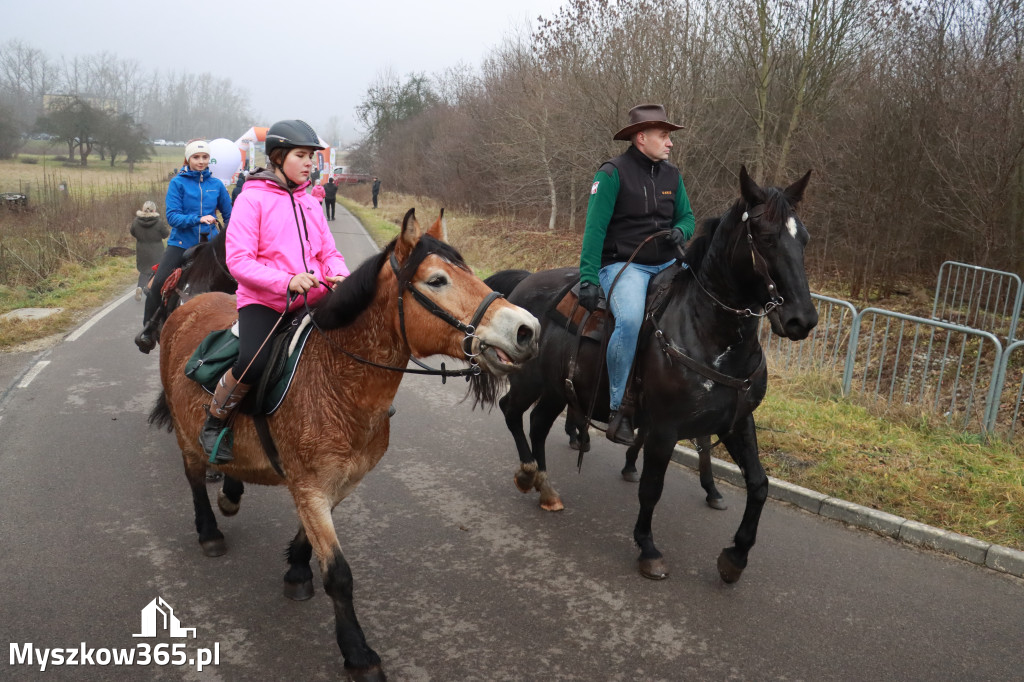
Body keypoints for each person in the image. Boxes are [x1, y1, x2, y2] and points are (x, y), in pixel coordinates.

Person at [201, 119, 350, 463]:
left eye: (312, 156)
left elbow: (329, 253)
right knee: (255, 362)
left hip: (315, 299)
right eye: (302, 155)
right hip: (265, 303)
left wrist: (340, 276)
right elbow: (238, 261)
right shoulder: (251, 200)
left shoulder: (311, 201)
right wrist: (287, 281)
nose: (311, 162)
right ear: (279, 157)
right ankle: (215, 420)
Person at [578, 104, 695, 445]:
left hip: (668, 263)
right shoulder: (611, 173)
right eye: (664, 136)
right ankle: (619, 410)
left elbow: (687, 217)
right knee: (629, 320)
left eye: (670, 137)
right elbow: (594, 230)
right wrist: (588, 277)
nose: (670, 143)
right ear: (642, 138)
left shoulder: (673, 176)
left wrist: (681, 232)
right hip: (625, 266)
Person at [134, 139, 232, 353]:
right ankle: (148, 331)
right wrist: (199, 219)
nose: (201, 161)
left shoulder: (216, 186)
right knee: (158, 284)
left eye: (205, 157)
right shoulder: (177, 183)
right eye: (196, 157)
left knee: (239, 278)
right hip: (181, 243)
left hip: (211, 245)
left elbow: (230, 215)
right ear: (188, 159)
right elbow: (172, 217)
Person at [129, 200, 169, 301]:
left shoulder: (136, 221)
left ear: (143, 209)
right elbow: (165, 234)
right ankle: (152, 292)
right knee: (156, 271)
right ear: (154, 210)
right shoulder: (158, 222)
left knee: (144, 271)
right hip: (157, 250)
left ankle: (139, 287)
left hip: (142, 249)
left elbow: (132, 232)